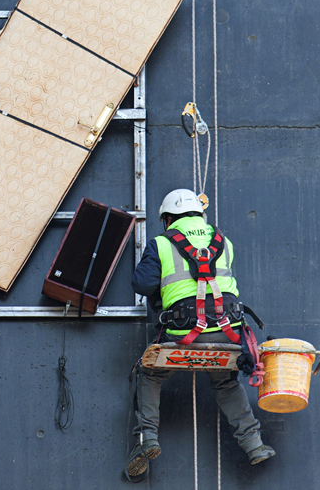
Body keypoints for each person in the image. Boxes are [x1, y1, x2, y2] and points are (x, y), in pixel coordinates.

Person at [124, 189, 274, 480]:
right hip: (228, 334)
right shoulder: (224, 242)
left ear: (167, 219)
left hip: (183, 333)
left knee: (150, 374)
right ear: (200, 215)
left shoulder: (161, 243)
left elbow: (141, 284)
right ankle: (254, 445)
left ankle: (148, 439)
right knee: (227, 384)